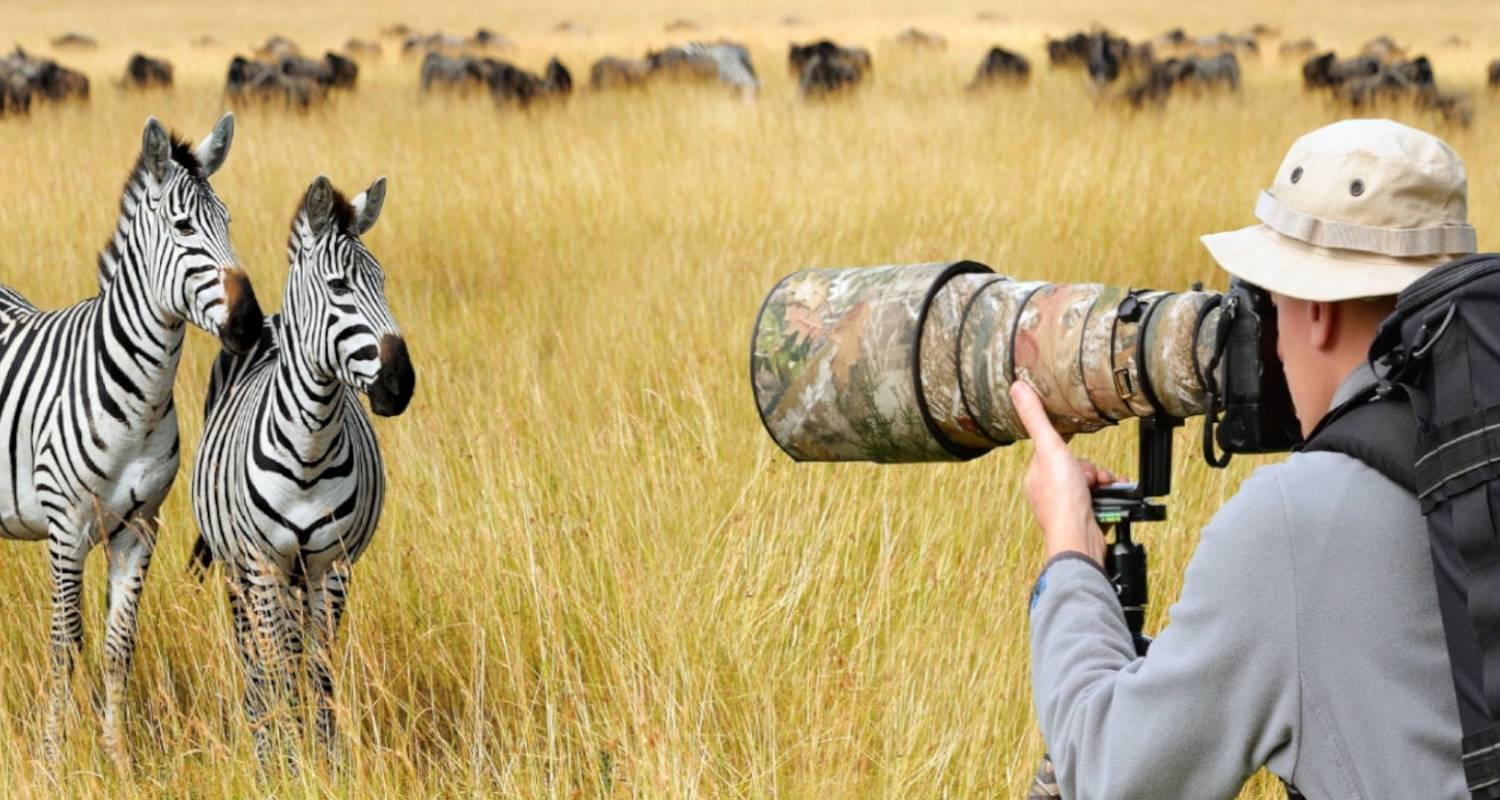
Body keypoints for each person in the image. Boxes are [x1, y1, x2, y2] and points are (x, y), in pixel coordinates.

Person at [1013, 118, 1474, 798]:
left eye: (1265, 302)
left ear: (1315, 309)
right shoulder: (1474, 458)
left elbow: (1110, 774)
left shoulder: (1299, 522)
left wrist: (1070, 556)